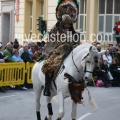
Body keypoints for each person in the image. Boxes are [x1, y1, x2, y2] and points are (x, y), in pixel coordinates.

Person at [42, 0, 80, 96]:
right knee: (49, 65)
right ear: (63, 23)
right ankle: (47, 87)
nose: (67, 25)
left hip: (71, 52)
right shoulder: (56, 30)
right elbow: (50, 42)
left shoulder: (73, 33)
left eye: (69, 24)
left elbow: (77, 43)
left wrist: (75, 46)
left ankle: (79, 85)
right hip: (58, 52)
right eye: (66, 23)